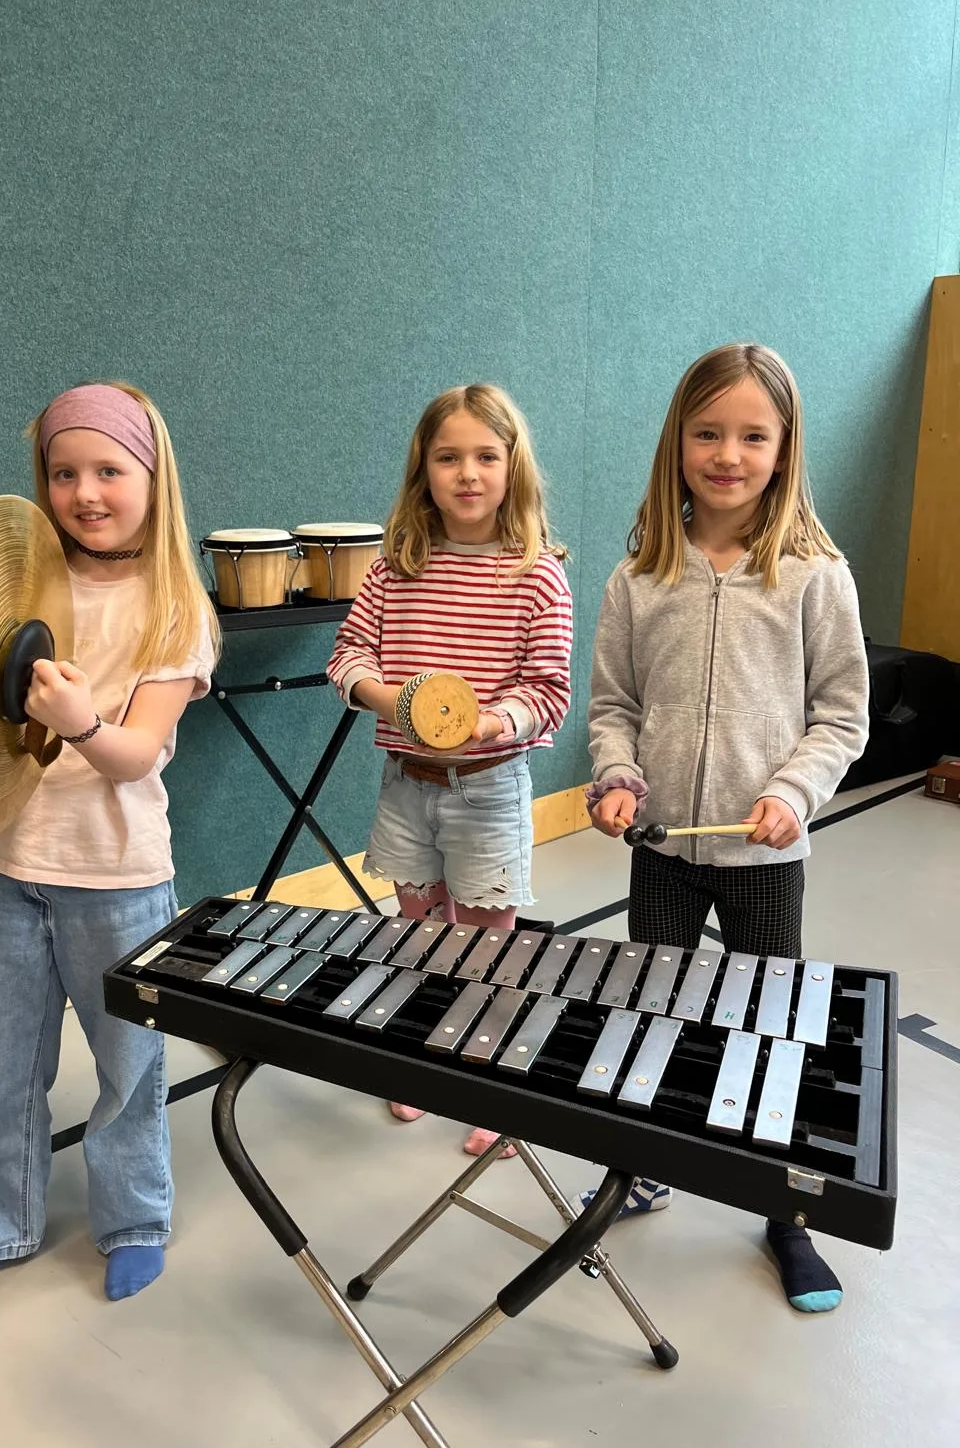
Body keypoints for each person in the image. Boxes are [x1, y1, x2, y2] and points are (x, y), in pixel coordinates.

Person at [585, 342, 869, 1312]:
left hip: (763, 857)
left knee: (771, 1028)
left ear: (785, 449)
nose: (728, 455)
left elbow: (841, 716)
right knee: (650, 1013)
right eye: (707, 433)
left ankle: (783, 1209)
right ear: (678, 442)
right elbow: (613, 707)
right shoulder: (640, 575)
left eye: (753, 436)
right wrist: (618, 775)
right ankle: (642, 1166)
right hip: (664, 850)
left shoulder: (816, 575)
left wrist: (793, 791)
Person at [0, 381, 217, 1302]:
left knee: (129, 1066)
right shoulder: (17, 587)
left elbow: (135, 755)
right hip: (0, 863)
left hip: (117, 876)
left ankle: (133, 1219)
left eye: (109, 470)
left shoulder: (175, 608)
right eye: (64, 473)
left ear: (153, 478)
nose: (85, 492)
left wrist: (81, 722)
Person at [327, 383, 572, 1157]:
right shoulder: (394, 568)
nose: (468, 473)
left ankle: (490, 1079)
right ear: (423, 470)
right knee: (421, 930)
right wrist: (394, 701)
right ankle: (429, 1059)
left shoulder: (537, 573)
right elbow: (348, 656)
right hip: (408, 784)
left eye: (486, 456)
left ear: (512, 466)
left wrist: (488, 723)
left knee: (488, 942)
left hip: (488, 789)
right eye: (448, 457)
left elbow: (548, 691)